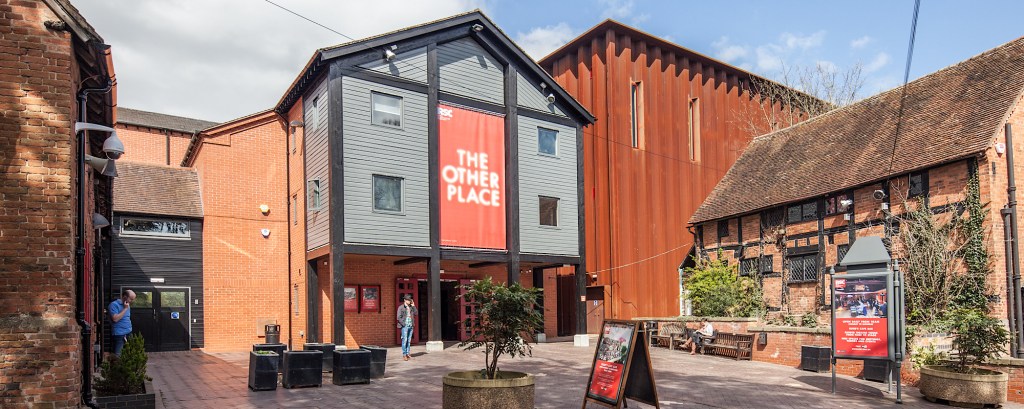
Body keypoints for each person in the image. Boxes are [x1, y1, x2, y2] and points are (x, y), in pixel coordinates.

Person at [109, 289, 136, 356]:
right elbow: (115, 319)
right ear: (125, 297)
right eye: (131, 299)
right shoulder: (114, 305)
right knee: (118, 355)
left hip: (128, 332)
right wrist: (125, 309)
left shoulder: (127, 305)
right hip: (119, 334)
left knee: (130, 353)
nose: (132, 301)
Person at [396, 294, 418, 361]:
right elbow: (398, 317)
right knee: (404, 340)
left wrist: (413, 306)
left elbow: (416, 313)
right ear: (405, 300)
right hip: (404, 326)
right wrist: (404, 324)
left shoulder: (411, 307)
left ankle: (408, 353)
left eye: (410, 300)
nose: (410, 301)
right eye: (408, 300)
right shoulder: (401, 307)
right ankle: (404, 354)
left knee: (409, 340)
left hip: (411, 325)